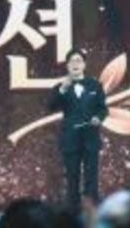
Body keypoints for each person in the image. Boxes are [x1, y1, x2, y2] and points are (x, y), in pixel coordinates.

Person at [47, 48, 108, 210]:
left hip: (90, 138)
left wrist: (98, 118)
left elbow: (103, 109)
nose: (75, 64)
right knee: (72, 179)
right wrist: (62, 90)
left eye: (79, 61)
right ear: (67, 66)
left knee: (91, 179)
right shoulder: (61, 87)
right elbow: (51, 106)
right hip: (70, 139)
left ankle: (91, 214)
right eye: (72, 61)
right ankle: (73, 214)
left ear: (84, 65)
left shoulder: (95, 85)